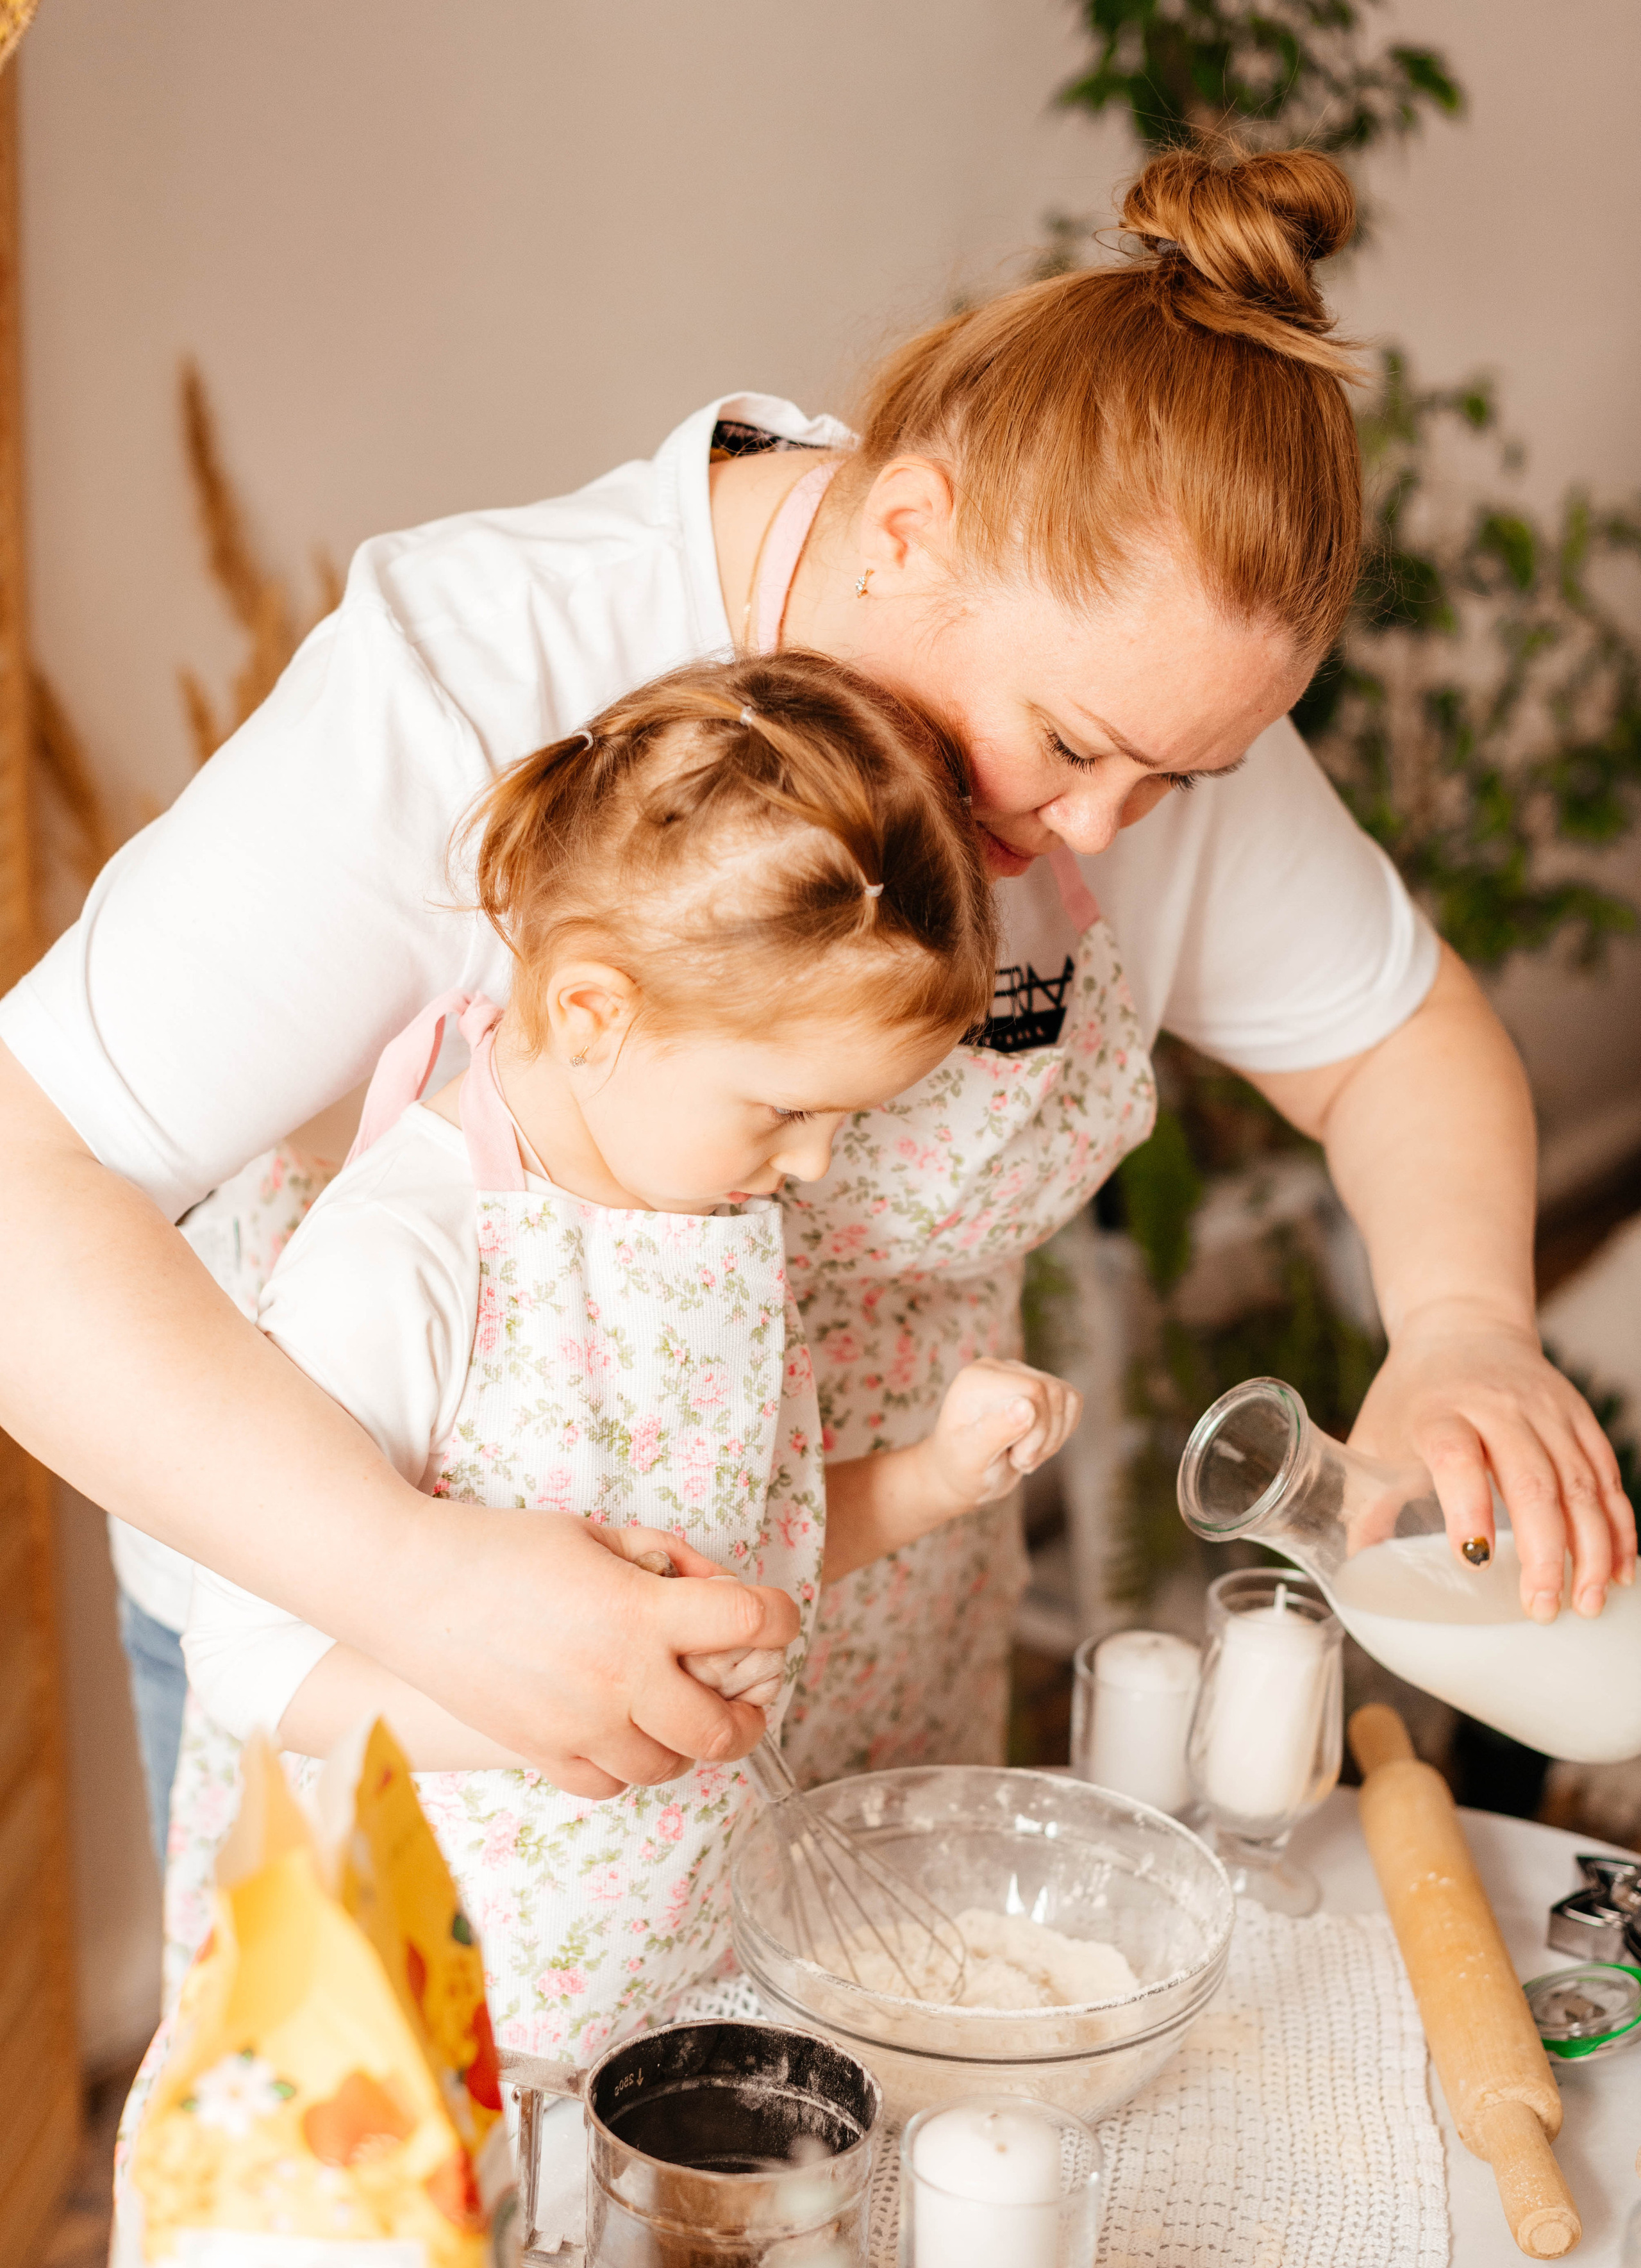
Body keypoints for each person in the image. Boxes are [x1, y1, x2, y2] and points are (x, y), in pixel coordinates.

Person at [1, 143, 1631, 1855]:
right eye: (1071, 747)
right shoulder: (476, 674)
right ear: (912, 520)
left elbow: (1393, 1038)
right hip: (408, 1677)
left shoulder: (1134, 692)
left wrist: (1461, 1324)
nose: (1093, 831)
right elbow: (29, 1187)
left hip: (854, 1665)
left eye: (1179, 784)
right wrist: (415, 1581)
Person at [169, 652, 1081, 2052]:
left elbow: (736, 1557)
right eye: (783, 1112)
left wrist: (931, 1479)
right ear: (594, 1010)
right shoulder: (401, 1264)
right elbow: (247, 1662)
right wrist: (530, 1708)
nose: (815, 1165)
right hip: (420, 2006)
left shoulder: (701, 1215)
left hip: (669, 1961)